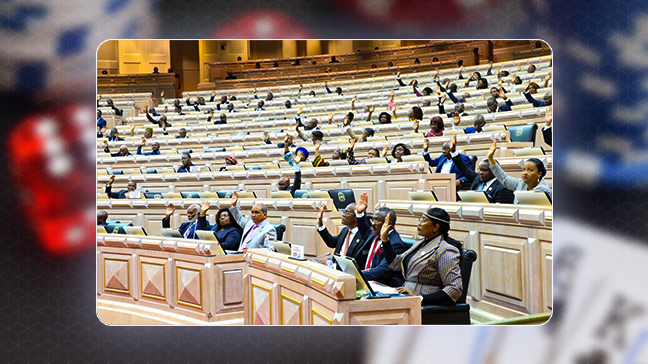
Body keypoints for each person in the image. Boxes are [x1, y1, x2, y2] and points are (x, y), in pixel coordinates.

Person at [381, 207, 463, 305]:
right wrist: (385, 239)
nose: (419, 223)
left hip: (424, 305)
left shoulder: (445, 250)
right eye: (420, 219)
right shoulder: (420, 243)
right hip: (406, 298)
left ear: (436, 227)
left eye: (423, 220)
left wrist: (420, 298)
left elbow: (454, 288)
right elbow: (396, 264)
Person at [354, 192, 406, 287]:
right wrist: (360, 213)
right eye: (373, 219)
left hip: (385, 286)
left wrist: (356, 274)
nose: (373, 223)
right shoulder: (375, 234)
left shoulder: (395, 244)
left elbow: (382, 271)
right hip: (370, 280)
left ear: (388, 224)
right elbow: (364, 229)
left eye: (377, 220)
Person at [447, 135, 515, 203]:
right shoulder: (478, 178)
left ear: (495, 171)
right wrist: (453, 152)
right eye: (480, 170)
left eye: (484, 170)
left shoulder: (504, 188)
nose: (481, 173)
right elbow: (464, 169)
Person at [486, 139, 553, 203]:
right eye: (524, 170)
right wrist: (490, 158)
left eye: (530, 170)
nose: (525, 173)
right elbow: (504, 179)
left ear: (539, 174)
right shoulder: (521, 183)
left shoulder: (543, 190)